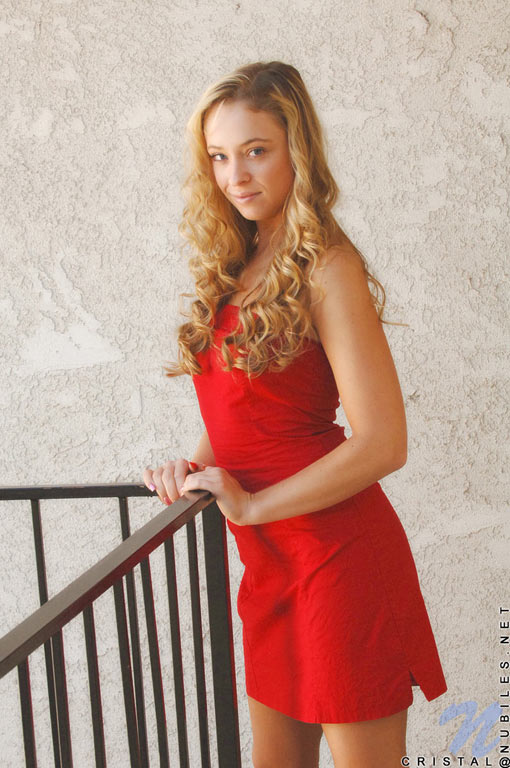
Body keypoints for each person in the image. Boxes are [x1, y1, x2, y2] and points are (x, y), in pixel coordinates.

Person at [143, 61, 447, 768]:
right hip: (270, 566)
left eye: (256, 151)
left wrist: (251, 507)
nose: (236, 175)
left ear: (296, 149)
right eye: (220, 156)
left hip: (337, 558)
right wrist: (193, 468)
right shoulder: (243, 261)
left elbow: (384, 442)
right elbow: (245, 408)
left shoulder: (327, 266)